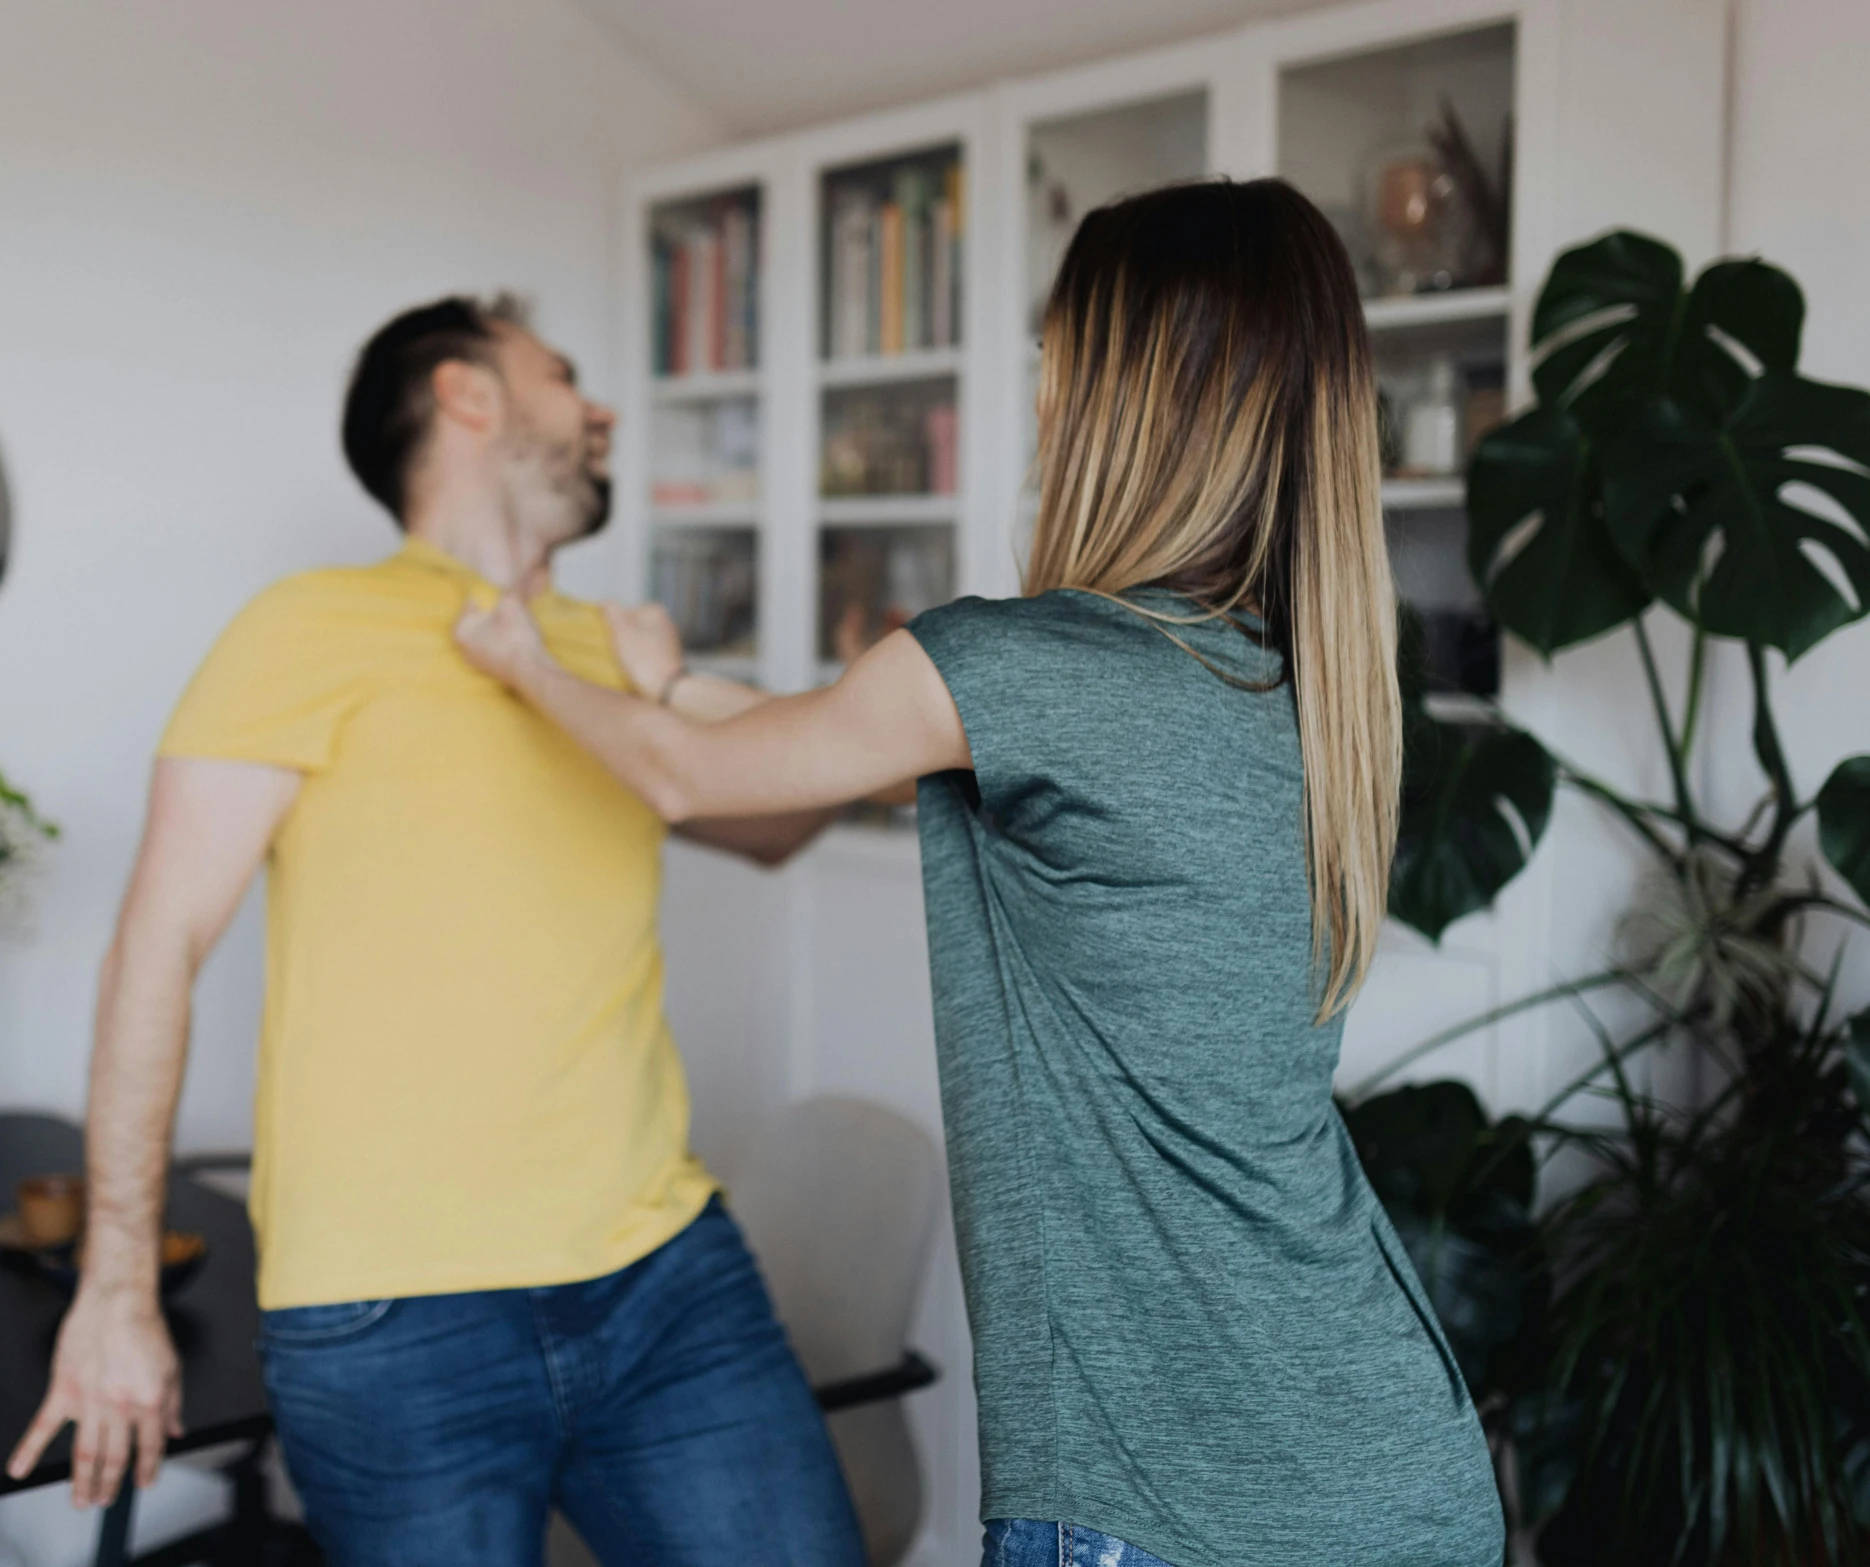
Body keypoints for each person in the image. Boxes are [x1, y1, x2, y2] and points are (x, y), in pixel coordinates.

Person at [454, 180, 1506, 1567]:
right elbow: (817, 744)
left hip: (1171, 1494)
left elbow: (682, 775)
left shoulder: (1027, 662)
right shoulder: (1274, 683)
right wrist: (675, 683)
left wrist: (526, 664)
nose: (1041, 389)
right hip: (1385, 1465)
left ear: (1127, 390)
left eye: (1056, 352)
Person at [8, 294, 867, 1567]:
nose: (602, 408)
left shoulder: (606, 655)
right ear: (467, 394)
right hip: (391, 1324)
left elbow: (782, 823)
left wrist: (672, 685)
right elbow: (156, 947)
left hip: (663, 1276)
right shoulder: (302, 627)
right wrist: (117, 1286)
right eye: (565, 375)